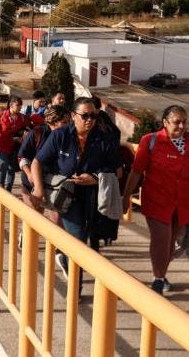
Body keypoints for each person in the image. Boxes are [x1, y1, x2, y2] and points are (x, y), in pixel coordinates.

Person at [122, 105, 189, 294]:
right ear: (165, 122)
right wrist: (126, 196)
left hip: (182, 203)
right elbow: (136, 171)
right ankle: (158, 279)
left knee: (170, 241)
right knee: (161, 238)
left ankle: (161, 274)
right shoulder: (150, 141)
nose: (181, 126)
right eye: (176, 122)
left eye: (184, 122)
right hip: (157, 201)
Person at [30, 97, 121, 291]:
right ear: (73, 116)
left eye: (94, 116)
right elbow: (37, 162)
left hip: (96, 198)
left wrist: (95, 178)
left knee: (94, 243)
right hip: (69, 198)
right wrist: (38, 188)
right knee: (78, 240)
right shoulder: (60, 136)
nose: (90, 120)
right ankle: (75, 289)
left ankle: (95, 284)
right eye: (85, 116)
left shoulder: (104, 138)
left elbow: (117, 169)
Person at [18, 104, 70, 225]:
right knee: (34, 218)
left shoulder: (68, 137)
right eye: (64, 122)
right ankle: (25, 238)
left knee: (57, 222)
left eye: (69, 122)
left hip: (54, 185)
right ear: (53, 122)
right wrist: (30, 174)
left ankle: (56, 244)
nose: (68, 126)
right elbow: (22, 156)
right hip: (31, 184)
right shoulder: (37, 133)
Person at [0, 95, 30, 191]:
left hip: (14, 147)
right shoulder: (1, 115)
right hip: (2, 145)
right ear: (11, 105)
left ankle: (8, 189)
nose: (19, 107)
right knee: (4, 165)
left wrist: (23, 136)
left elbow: (28, 130)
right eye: (17, 105)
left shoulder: (22, 118)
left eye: (20, 105)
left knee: (12, 168)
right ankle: (1, 186)